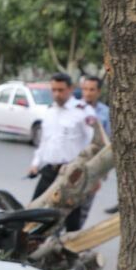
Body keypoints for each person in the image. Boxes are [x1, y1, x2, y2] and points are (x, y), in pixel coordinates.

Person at [26, 73, 95, 232]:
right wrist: (35, 164)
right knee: (35, 210)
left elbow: (93, 142)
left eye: (61, 90)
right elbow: (44, 141)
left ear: (70, 89)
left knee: (71, 217)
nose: (57, 94)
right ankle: (33, 241)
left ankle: (71, 244)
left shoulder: (83, 111)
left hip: (72, 174)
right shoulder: (50, 111)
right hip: (49, 170)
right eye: (54, 90)